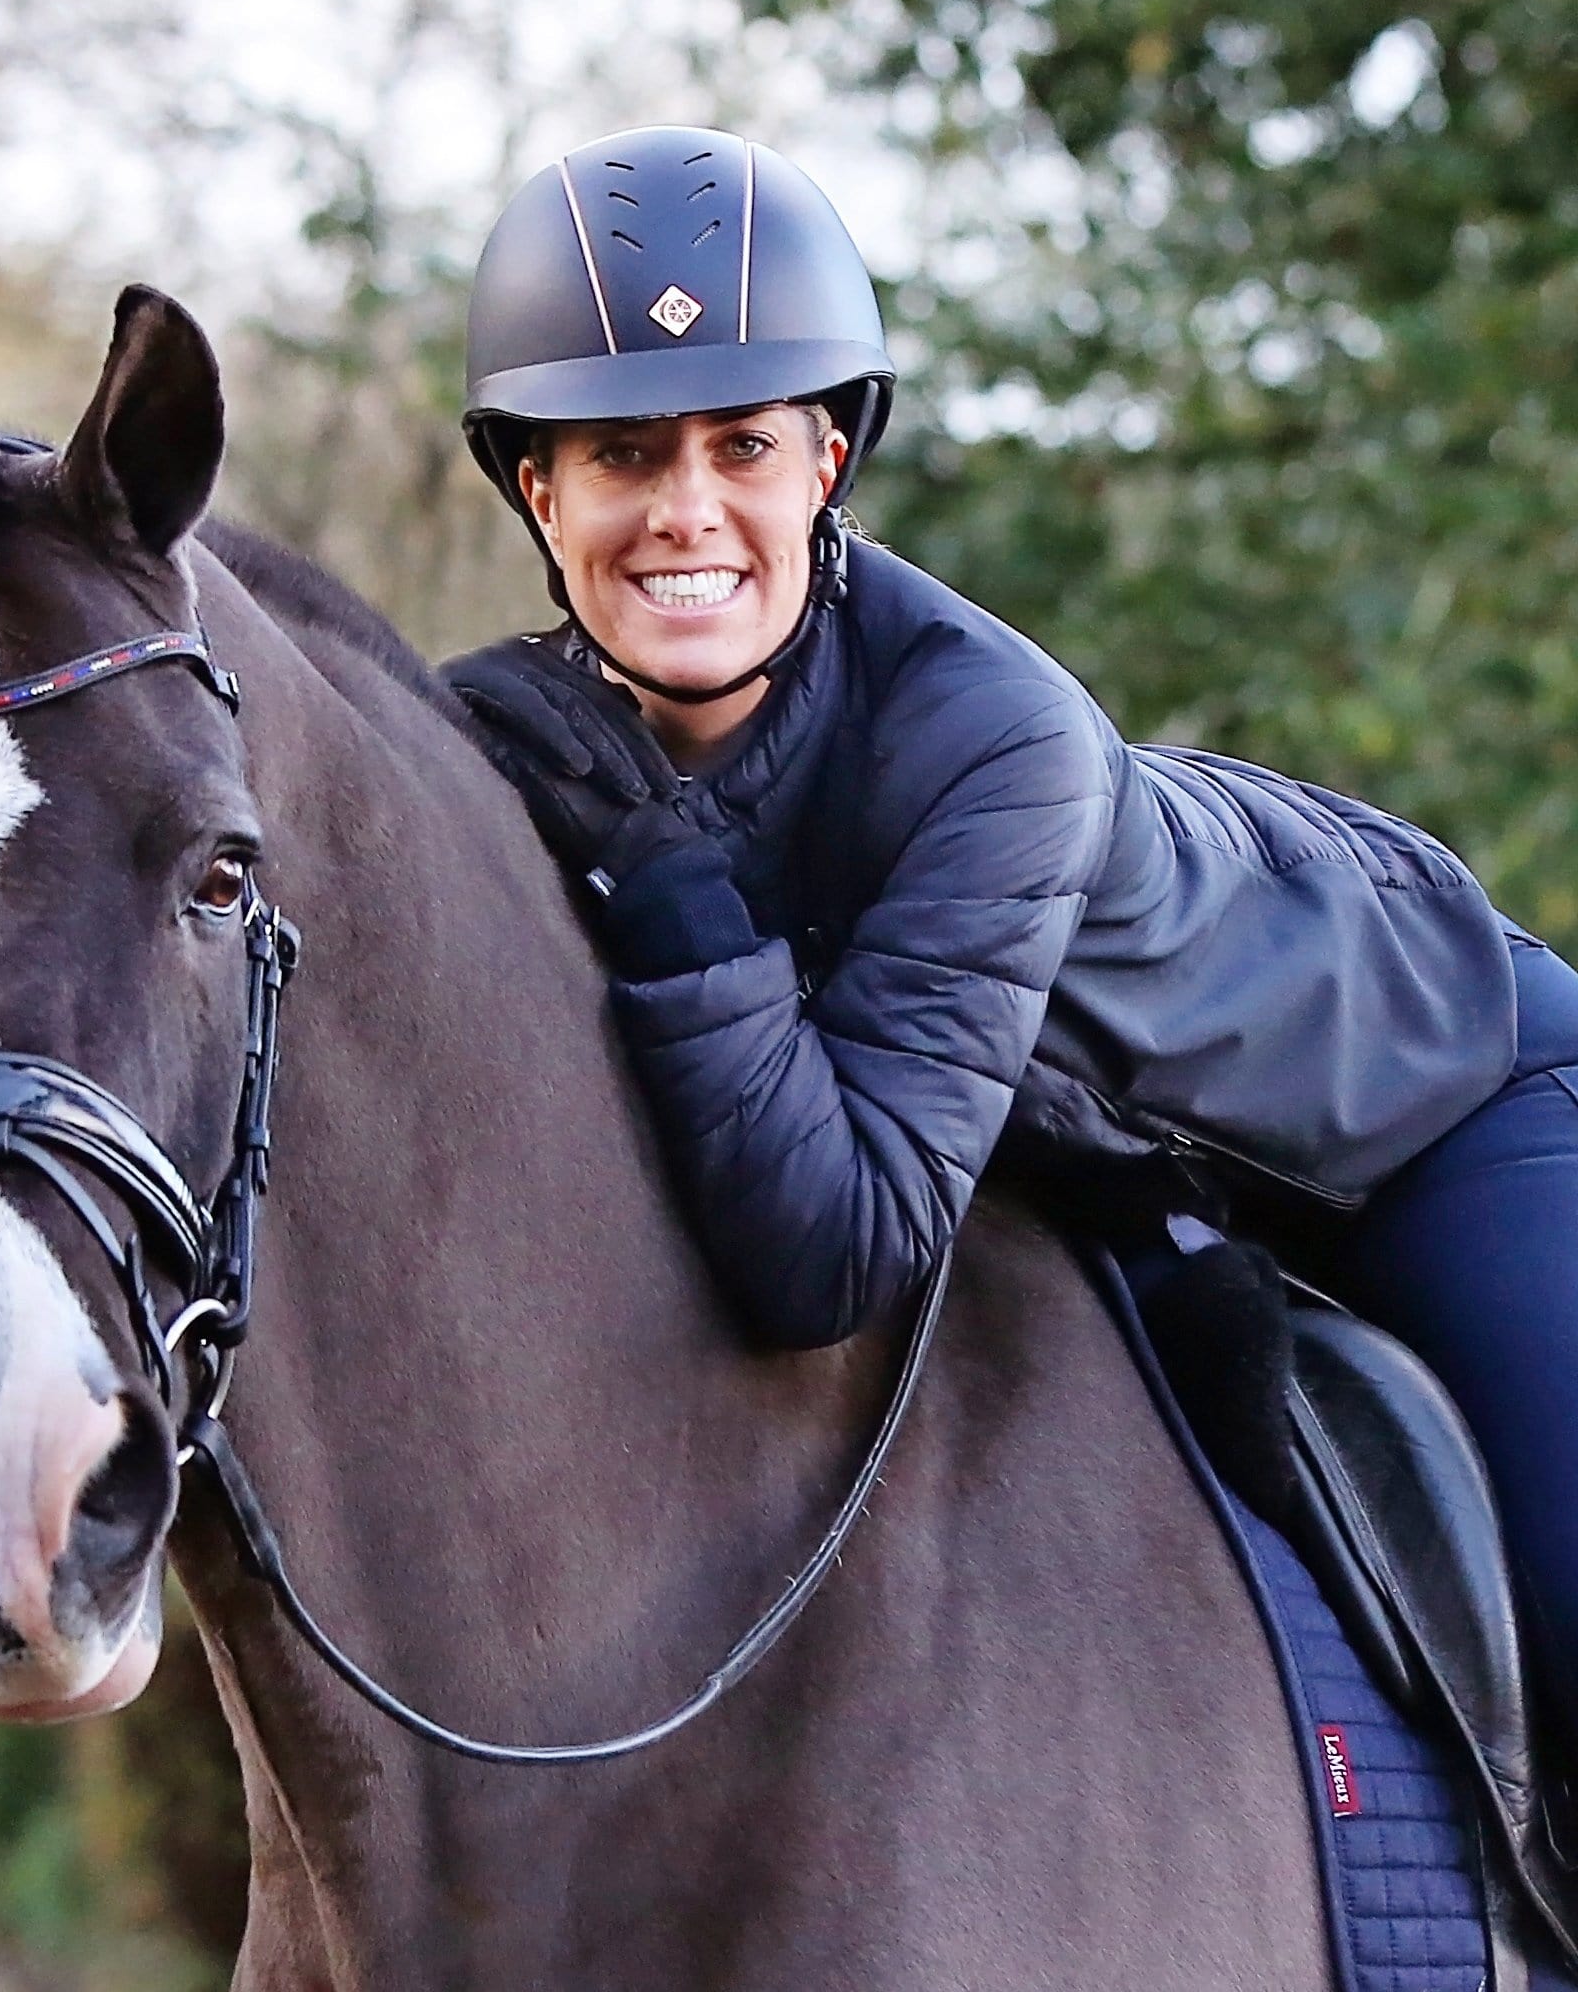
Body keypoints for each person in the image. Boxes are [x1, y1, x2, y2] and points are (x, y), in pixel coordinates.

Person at [442, 123, 1578, 1745]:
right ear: (537, 485)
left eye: (742, 448)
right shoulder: (504, 738)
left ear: (827, 463)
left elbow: (835, 1249)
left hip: (1444, 1106)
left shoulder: (991, 738)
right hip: (1140, 1191)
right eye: (624, 455)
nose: (688, 511)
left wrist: (677, 896)